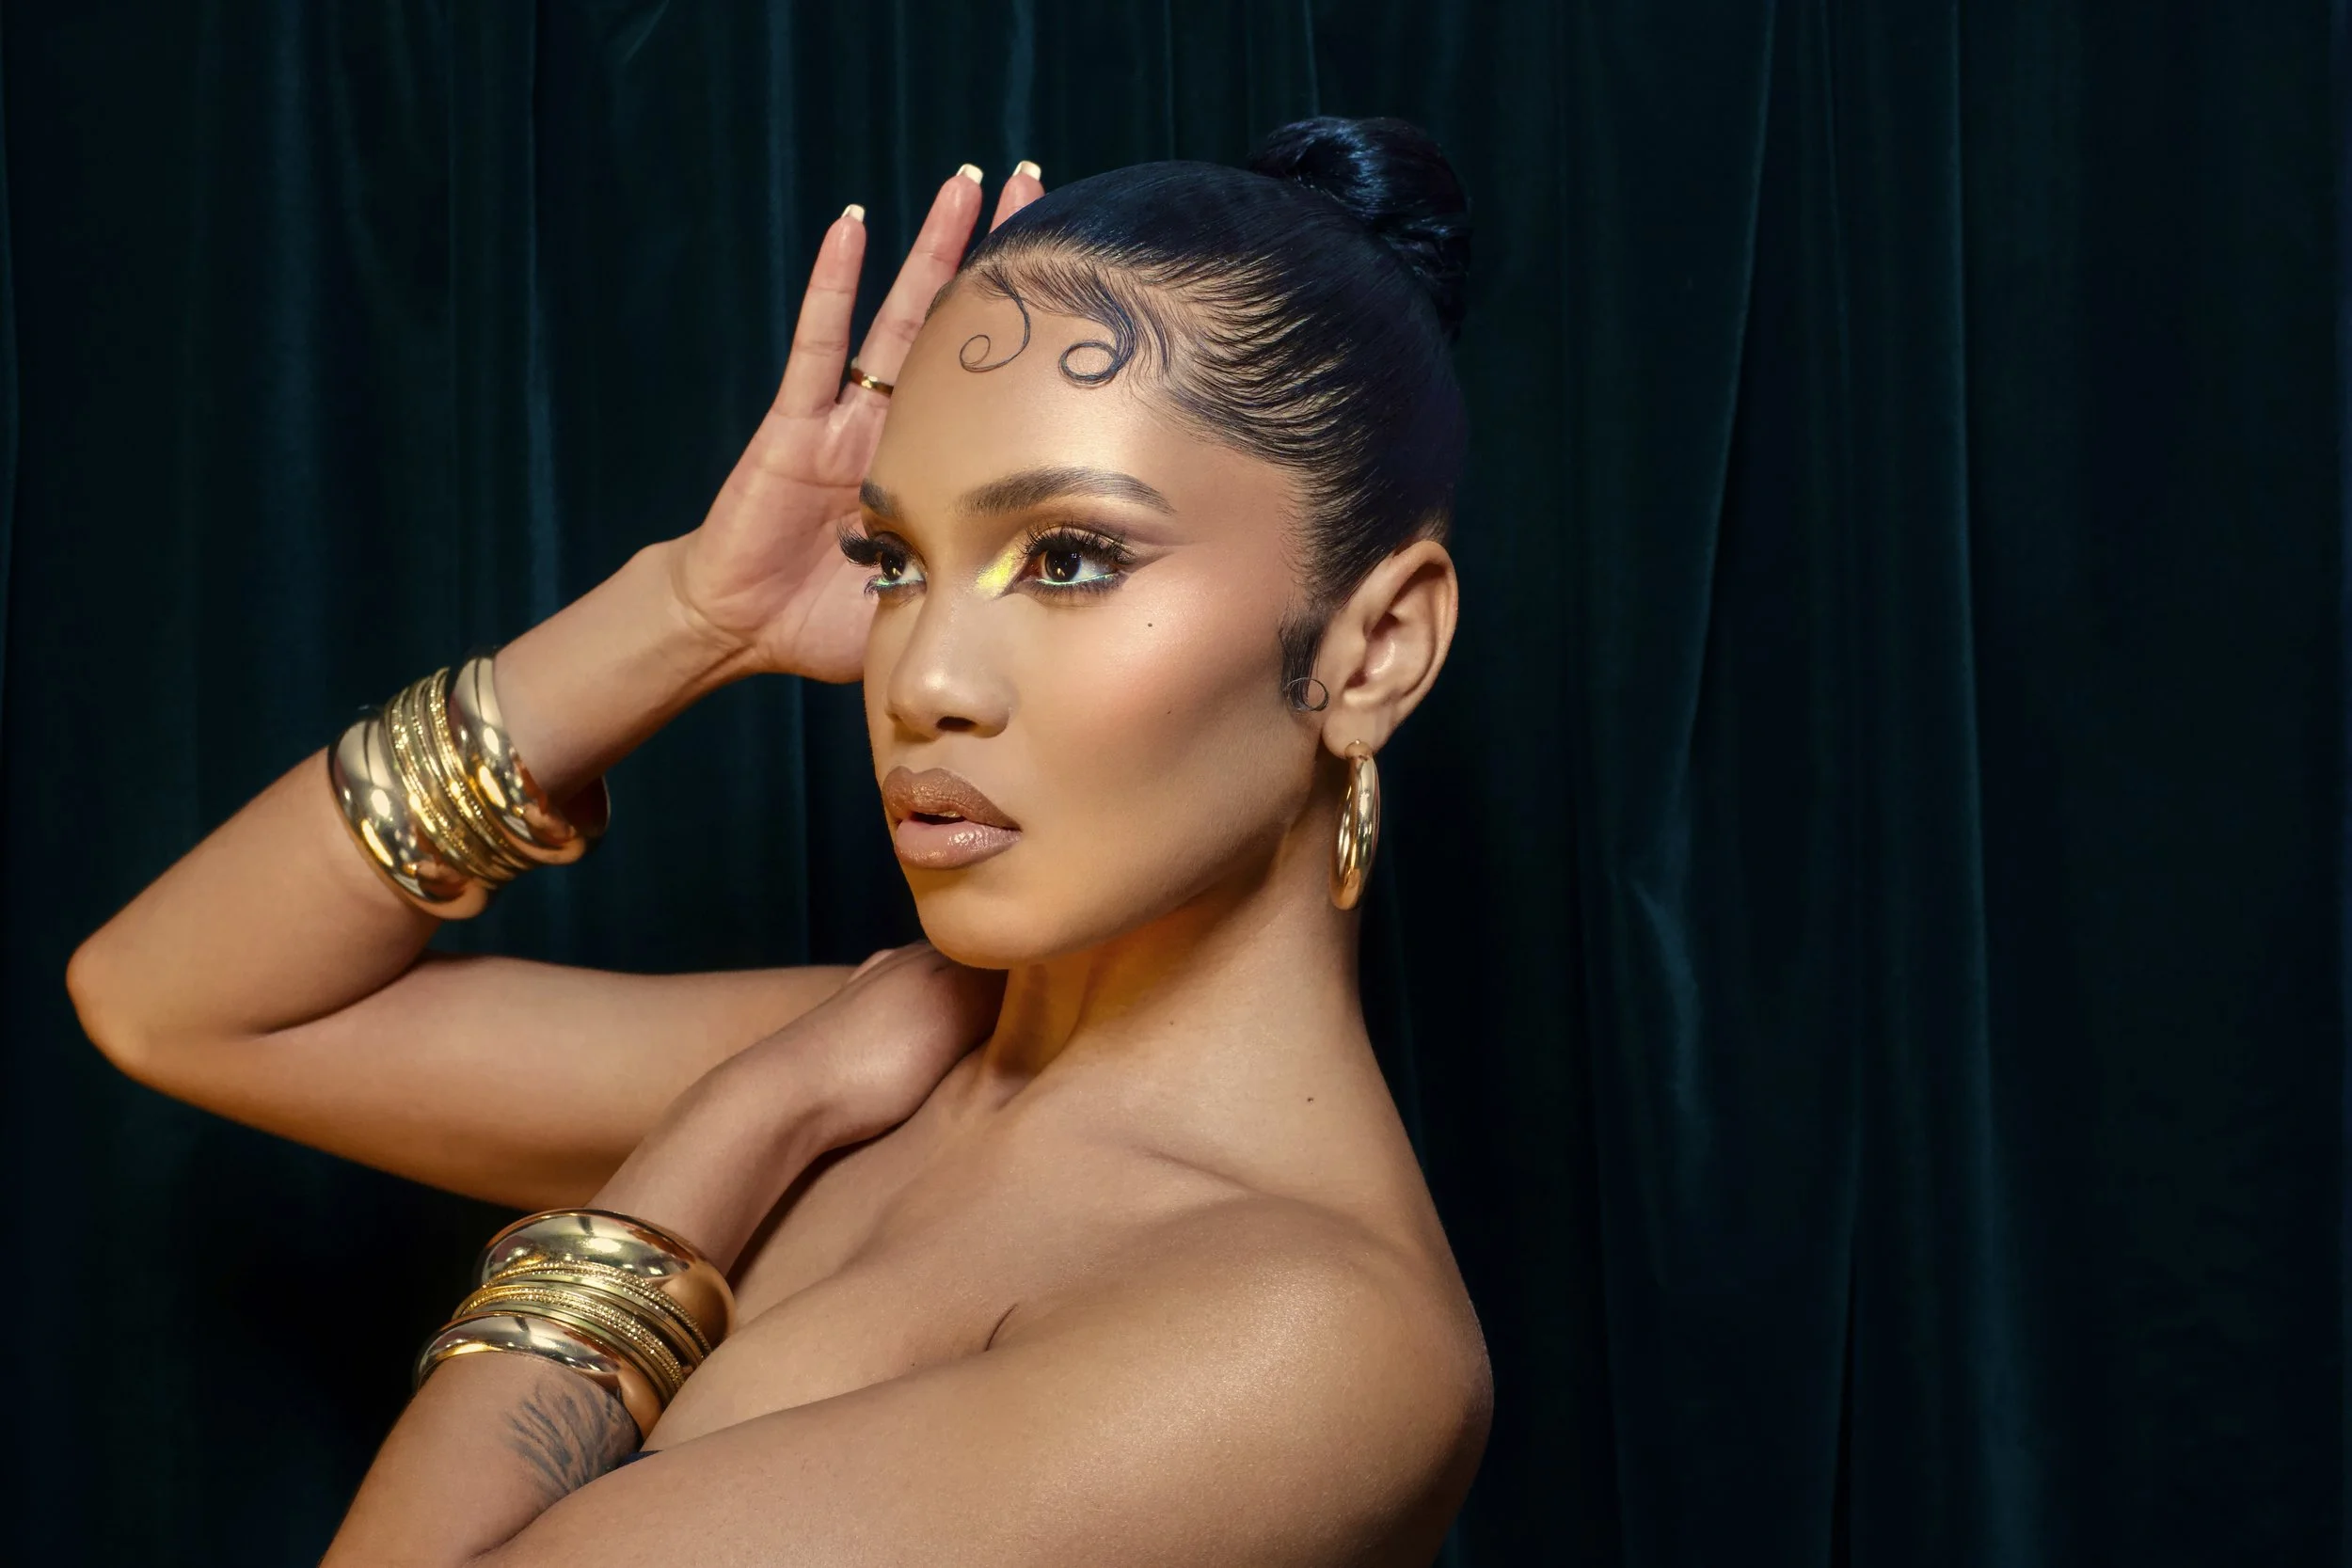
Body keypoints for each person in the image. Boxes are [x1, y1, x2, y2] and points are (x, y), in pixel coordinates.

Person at [67, 115, 1492, 1566]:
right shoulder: (880, 1050)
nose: (924, 681)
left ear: (1374, 649)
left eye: (1068, 558)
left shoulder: (1301, 1340)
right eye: (895, 562)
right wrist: (693, 613)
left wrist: (734, 1128)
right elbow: (173, 997)